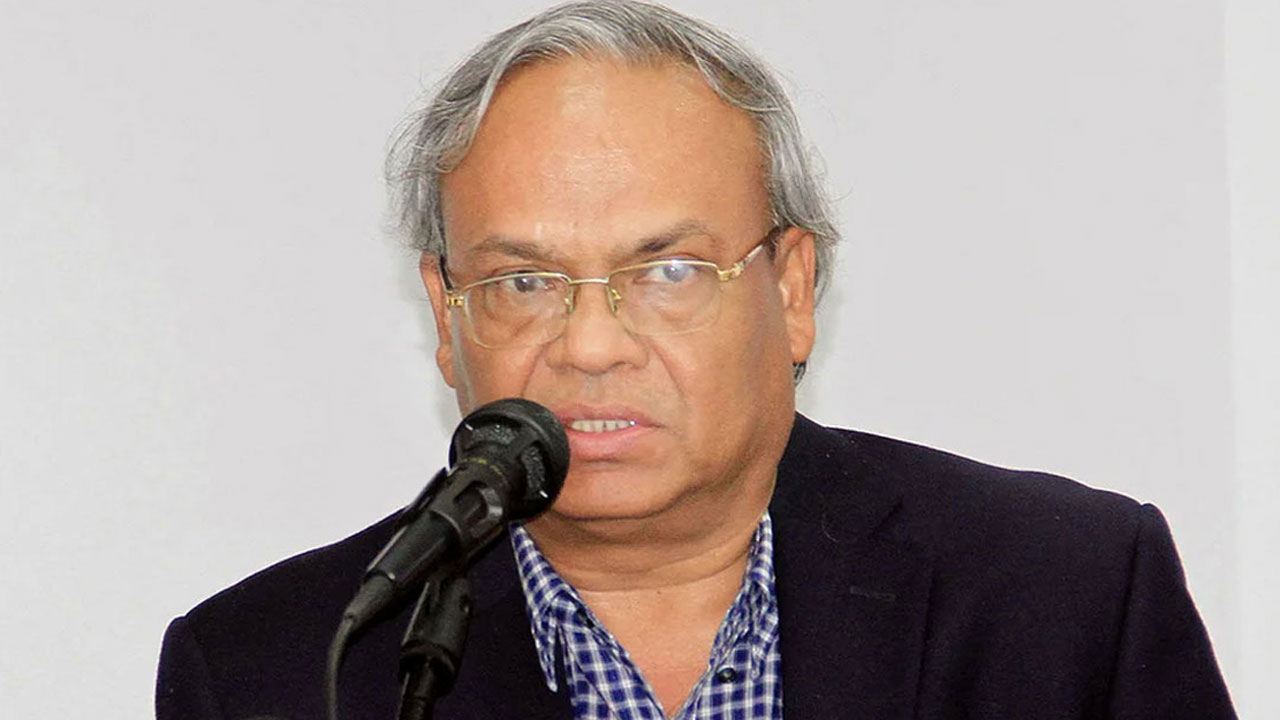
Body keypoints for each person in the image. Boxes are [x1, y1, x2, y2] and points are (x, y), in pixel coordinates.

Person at [156, 1, 1235, 718]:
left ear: (792, 289)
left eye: (666, 270)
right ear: (447, 314)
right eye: (523, 281)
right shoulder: (277, 671)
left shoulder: (1065, 597)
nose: (589, 346)